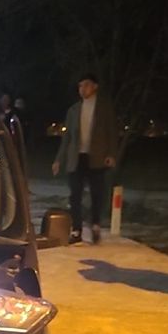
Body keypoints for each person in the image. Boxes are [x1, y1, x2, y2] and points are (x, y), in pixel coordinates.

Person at [52, 73, 118, 244]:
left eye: (86, 85)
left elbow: (111, 132)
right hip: (77, 157)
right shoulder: (74, 110)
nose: (83, 89)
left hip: (96, 157)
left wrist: (111, 154)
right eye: (80, 86)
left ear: (95, 86)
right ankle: (76, 229)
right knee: (75, 194)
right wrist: (59, 159)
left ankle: (95, 225)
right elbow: (67, 138)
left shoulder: (103, 108)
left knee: (97, 193)